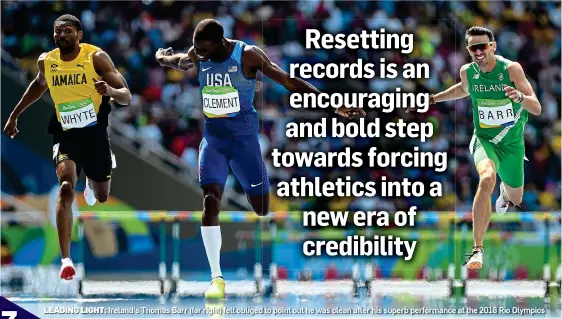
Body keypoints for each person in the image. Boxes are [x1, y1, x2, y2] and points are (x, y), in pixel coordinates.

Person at [155, 19, 364, 299]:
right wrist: (164, 57)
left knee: (262, 208)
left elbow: (288, 80)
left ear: (220, 42)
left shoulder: (248, 55)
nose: (198, 55)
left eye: (203, 50)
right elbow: (182, 61)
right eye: (196, 49)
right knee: (210, 198)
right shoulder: (199, 52)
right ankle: (217, 278)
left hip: (244, 144)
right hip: (214, 140)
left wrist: (333, 105)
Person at [3, 14, 131, 280]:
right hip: (66, 132)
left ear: (79, 35)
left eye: (68, 31)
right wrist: (15, 115)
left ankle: (96, 178)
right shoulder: (46, 62)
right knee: (65, 188)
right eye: (58, 31)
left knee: (102, 195)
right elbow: (38, 87)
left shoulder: (96, 58)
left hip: (95, 133)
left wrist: (108, 90)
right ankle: (66, 259)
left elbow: (126, 96)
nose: (62, 35)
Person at [424, 26, 541, 269]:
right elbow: (462, 90)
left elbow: (536, 107)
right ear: (468, 50)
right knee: (486, 178)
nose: (478, 51)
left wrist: (519, 97)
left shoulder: (511, 69)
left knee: (516, 198)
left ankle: (506, 196)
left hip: (512, 146)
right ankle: (477, 250)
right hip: (485, 140)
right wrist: (434, 98)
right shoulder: (467, 72)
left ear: (493, 46)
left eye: (482, 46)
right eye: (473, 47)